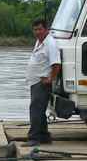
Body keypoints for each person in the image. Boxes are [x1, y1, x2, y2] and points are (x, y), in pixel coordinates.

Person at [24, 18, 61, 146]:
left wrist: (50, 79)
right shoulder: (39, 42)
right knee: (39, 109)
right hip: (35, 82)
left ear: (46, 29)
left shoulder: (50, 43)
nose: (37, 32)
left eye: (40, 29)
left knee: (35, 109)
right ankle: (44, 136)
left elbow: (56, 64)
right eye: (35, 29)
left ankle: (34, 138)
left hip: (42, 83)